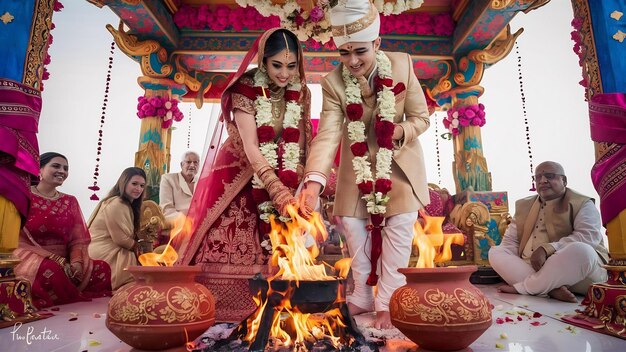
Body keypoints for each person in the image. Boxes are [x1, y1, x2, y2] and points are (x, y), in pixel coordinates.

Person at [298, 0, 431, 329]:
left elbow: (421, 118)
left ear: (377, 43)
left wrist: (400, 130)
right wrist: (313, 184)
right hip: (355, 171)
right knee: (355, 232)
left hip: (398, 166)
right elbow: (327, 134)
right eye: (344, 53)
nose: (352, 61)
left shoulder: (402, 66)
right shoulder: (333, 83)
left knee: (399, 229)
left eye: (360, 51)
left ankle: (388, 299)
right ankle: (362, 297)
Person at [174, 28, 312, 322]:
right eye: (276, 65)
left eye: (291, 65)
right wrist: (275, 188)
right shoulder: (245, 88)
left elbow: (299, 141)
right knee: (234, 237)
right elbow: (251, 145)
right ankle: (222, 305)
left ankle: (282, 305)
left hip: (281, 169)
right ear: (263, 61)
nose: (285, 73)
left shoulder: (301, 90)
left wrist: (298, 181)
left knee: (287, 234)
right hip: (240, 169)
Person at [489, 161, 609, 302]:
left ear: (564, 180)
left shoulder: (582, 203)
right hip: (535, 269)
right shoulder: (524, 206)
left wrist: (548, 248)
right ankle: (549, 288)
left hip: (577, 272)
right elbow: (510, 243)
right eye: (538, 177)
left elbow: (588, 237)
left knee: (583, 251)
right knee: (496, 252)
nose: (543, 180)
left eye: (550, 176)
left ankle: (527, 288)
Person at [13, 152, 112, 308]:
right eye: (56, 166)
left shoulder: (70, 201)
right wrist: (53, 259)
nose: (62, 171)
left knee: (102, 268)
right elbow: (17, 238)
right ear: (40, 169)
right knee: (51, 270)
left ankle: (76, 301)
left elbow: (78, 240)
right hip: (31, 254)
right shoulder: (24, 196)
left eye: (65, 168)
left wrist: (76, 262)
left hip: (65, 259)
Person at [88, 167, 147, 290]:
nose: (138, 189)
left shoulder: (124, 204)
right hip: (105, 252)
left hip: (108, 248)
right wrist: (141, 249)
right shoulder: (117, 203)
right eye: (134, 184)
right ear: (123, 182)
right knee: (141, 278)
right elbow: (121, 240)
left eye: (142, 185)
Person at [159, 151, 200, 223]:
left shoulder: (202, 180)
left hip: (200, 223)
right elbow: (166, 209)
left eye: (195, 162)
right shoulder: (168, 179)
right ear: (181, 164)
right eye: (188, 162)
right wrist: (185, 221)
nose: (192, 165)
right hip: (177, 224)